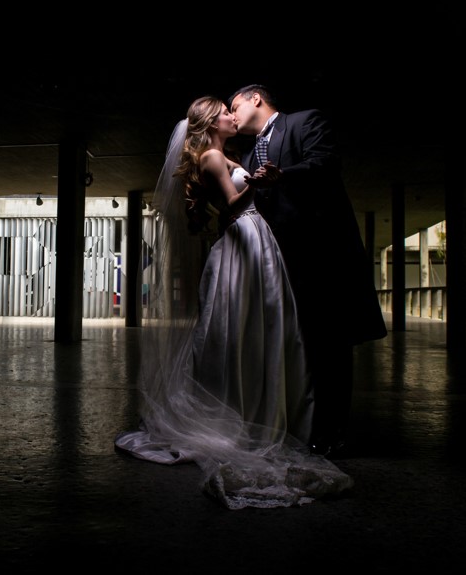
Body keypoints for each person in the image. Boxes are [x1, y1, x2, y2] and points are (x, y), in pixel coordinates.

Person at [115, 96, 353, 509]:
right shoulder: (210, 155)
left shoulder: (224, 154)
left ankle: (263, 407)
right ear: (211, 121)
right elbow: (233, 204)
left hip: (254, 240)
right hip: (243, 239)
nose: (231, 115)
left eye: (232, 108)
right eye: (225, 111)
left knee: (259, 324)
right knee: (237, 327)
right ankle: (238, 413)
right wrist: (259, 186)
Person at [228, 84, 388, 457]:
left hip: (323, 256)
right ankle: (301, 425)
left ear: (256, 99)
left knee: (330, 346)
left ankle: (332, 433)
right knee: (298, 346)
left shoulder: (304, 122)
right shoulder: (249, 153)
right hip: (279, 263)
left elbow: (326, 162)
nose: (232, 115)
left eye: (235, 106)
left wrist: (283, 175)